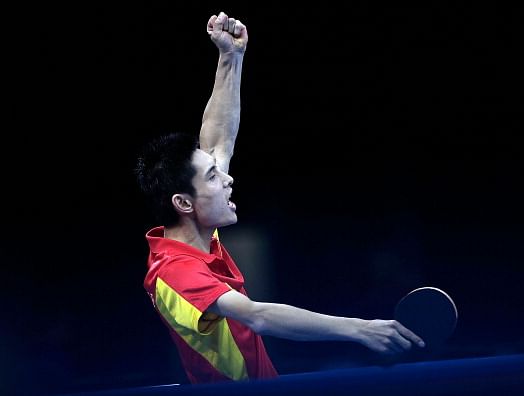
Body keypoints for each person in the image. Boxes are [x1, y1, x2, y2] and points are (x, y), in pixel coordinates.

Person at [135, 11, 425, 385]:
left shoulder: (198, 234)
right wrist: (360, 330)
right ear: (183, 203)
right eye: (212, 176)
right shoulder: (174, 272)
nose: (227, 178)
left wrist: (230, 57)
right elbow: (257, 316)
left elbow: (218, 140)